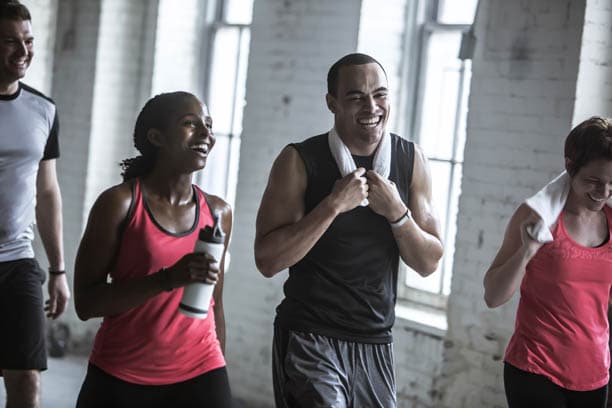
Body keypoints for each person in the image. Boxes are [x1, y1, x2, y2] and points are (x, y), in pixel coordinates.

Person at [255, 53, 444, 407]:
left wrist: (397, 213)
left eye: (380, 94)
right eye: (356, 96)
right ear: (332, 103)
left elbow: (428, 262)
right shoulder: (298, 161)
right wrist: (331, 206)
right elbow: (267, 260)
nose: (371, 106)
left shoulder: (410, 160)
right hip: (311, 336)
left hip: (375, 340)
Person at [73, 91, 233, 407]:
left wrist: (219, 370)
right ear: (156, 137)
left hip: (201, 367)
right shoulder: (119, 203)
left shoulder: (218, 213)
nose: (206, 135)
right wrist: (165, 280)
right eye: (191, 124)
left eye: (209, 125)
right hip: (124, 373)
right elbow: (86, 303)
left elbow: (215, 304)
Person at [483, 116, 612, 408]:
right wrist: (526, 251)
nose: (603, 193)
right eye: (593, 180)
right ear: (569, 166)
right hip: (534, 368)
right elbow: (493, 296)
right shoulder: (537, 217)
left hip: (593, 373)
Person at [0, 1, 70, 407]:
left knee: (27, 380)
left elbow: (47, 192)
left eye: (28, 40)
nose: (23, 51)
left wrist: (58, 268)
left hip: (18, 262)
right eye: (10, 42)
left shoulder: (43, 110)